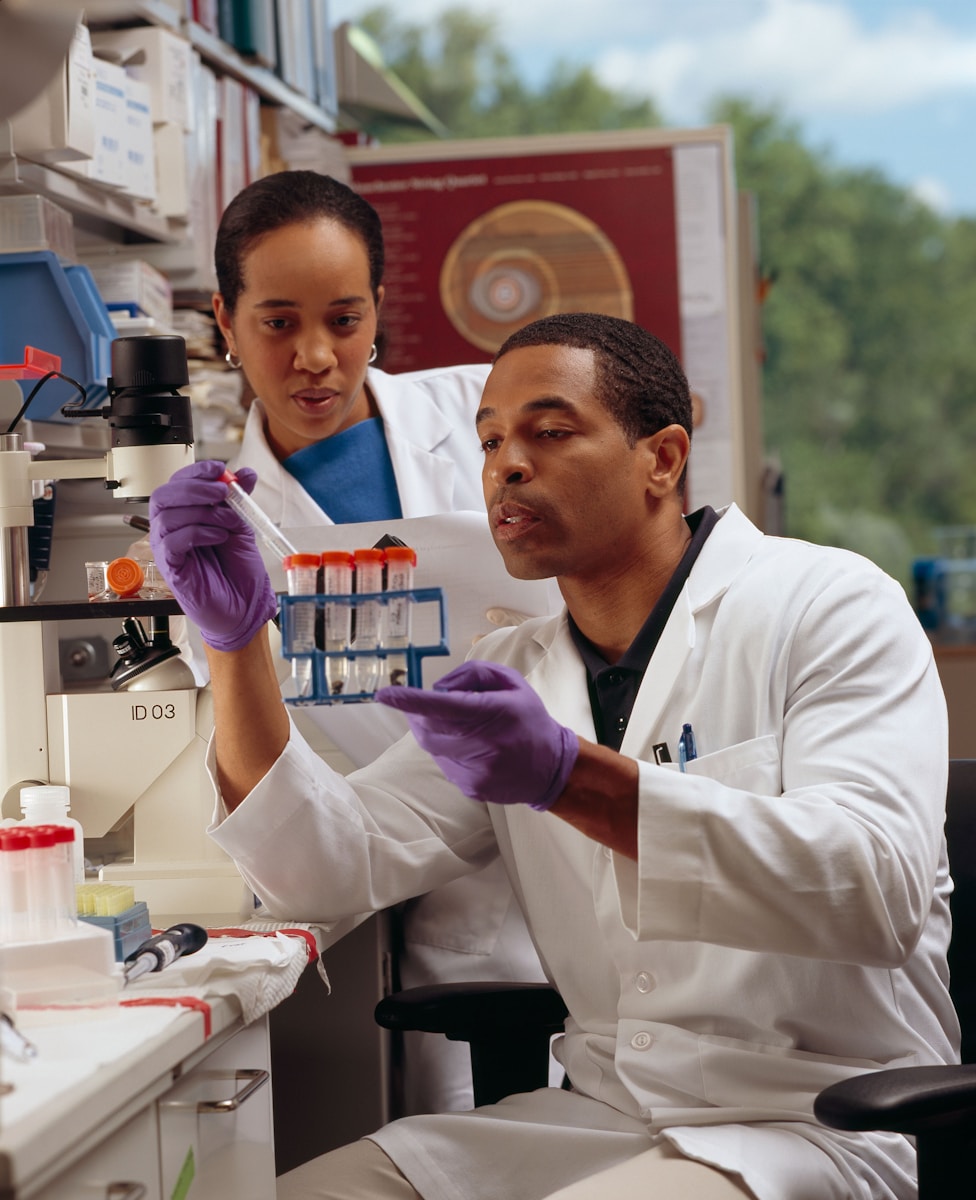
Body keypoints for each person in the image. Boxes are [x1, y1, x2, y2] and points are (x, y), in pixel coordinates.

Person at [150, 312, 957, 1200]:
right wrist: (234, 647)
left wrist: (575, 780)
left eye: (550, 432)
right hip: (607, 1114)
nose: (507, 464)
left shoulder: (829, 606)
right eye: (490, 440)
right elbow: (325, 866)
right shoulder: (510, 672)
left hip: (819, 1123)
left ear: (663, 457)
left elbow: (874, 890)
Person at [203, 169, 552, 1113]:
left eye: (344, 320)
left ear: (378, 312)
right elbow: (246, 734)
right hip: (404, 879)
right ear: (224, 323)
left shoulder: (485, 415)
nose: (316, 356)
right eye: (278, 323)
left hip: (569, 824)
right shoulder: (221, 523)